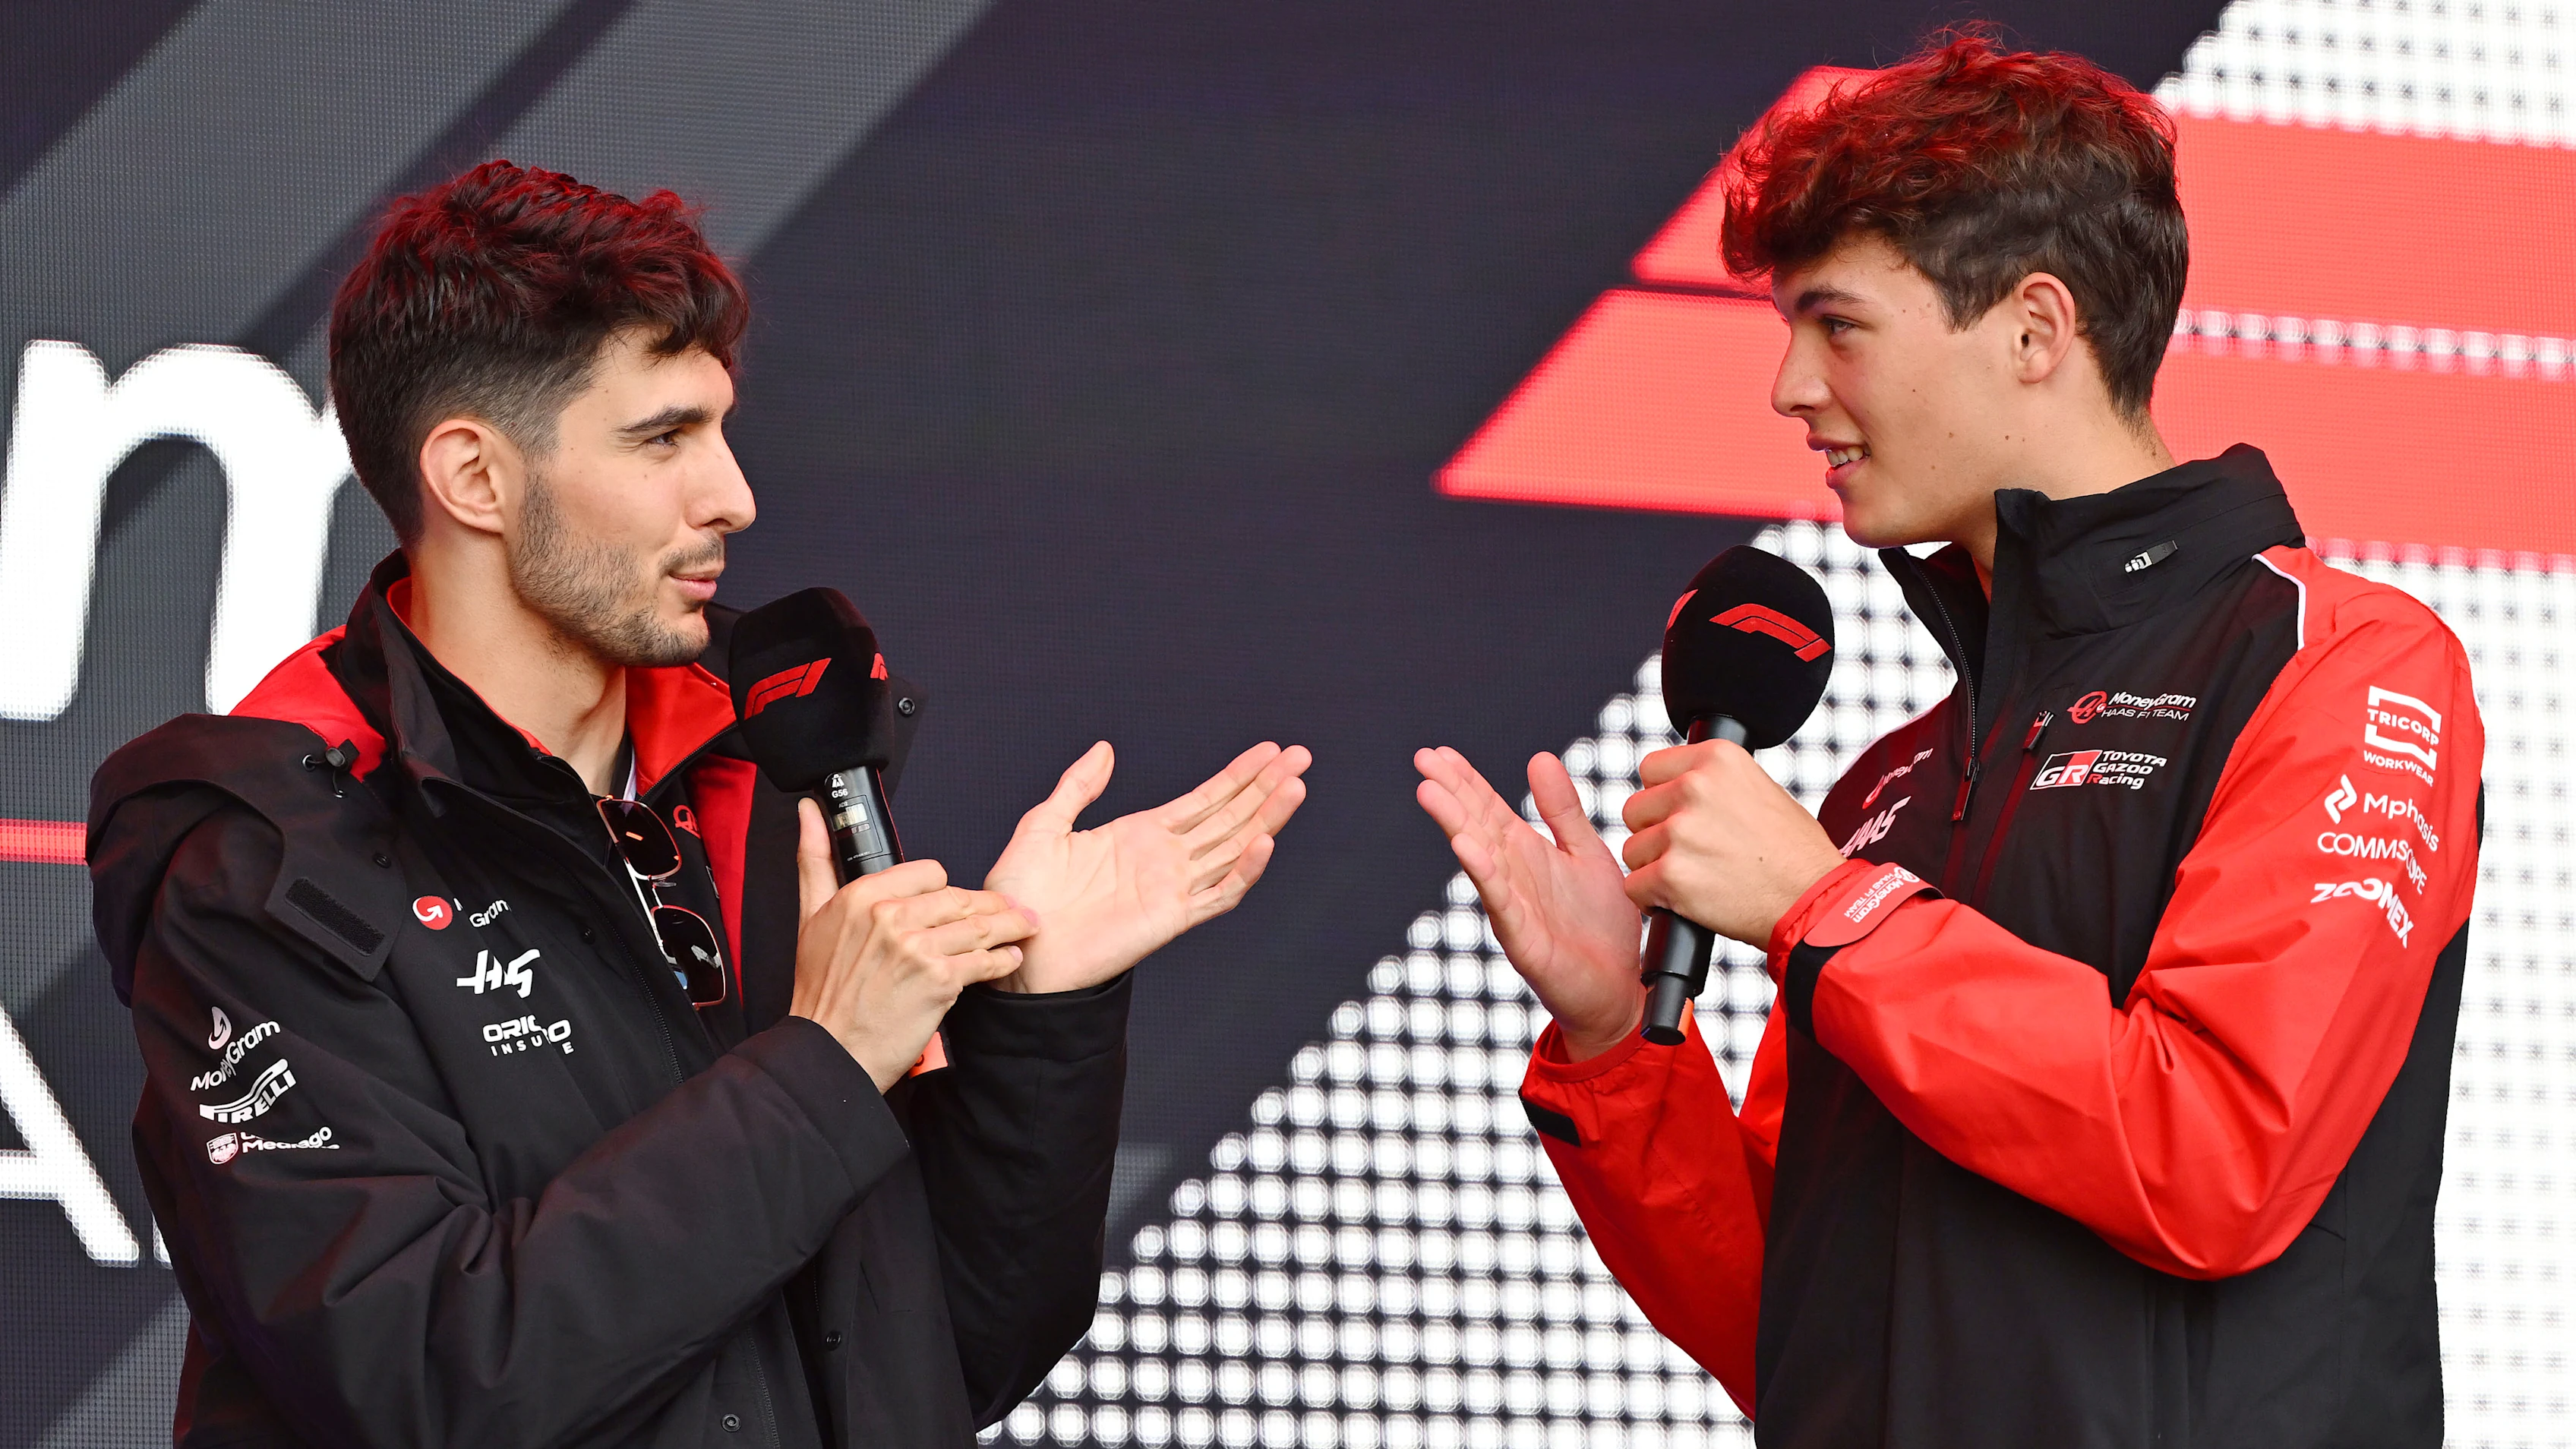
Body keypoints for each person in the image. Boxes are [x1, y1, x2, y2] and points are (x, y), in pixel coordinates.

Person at [89, 159, 1311, 1448]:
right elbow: (427, 1385)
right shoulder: (263, 856)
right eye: (662, 438)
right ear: (476, 478)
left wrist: (1043, 1024)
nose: (732, 497)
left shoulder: (765, 768)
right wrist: (827, 1062)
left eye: (718, 431)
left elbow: (938, 1353)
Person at [1415, 36, 2480, 1448]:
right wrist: (1621, 1040)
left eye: (1837, 325)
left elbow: (2214, 1157)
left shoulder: (2341, 661)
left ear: (2037, 331)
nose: (1790, 388)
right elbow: (1786, 1325)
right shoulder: (1892, 786)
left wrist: (1824, 910)